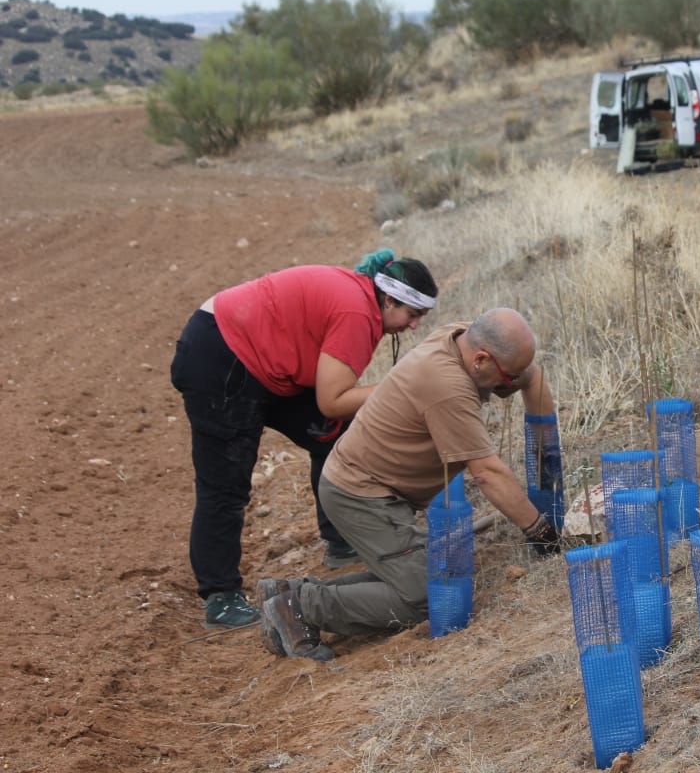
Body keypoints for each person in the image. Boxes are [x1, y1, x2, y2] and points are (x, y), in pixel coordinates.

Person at [257, 307, 563, 660]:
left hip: (373, 486)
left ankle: (286, 592)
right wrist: (540, 532)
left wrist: (545, 445)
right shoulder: (447, 386)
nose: (506, 387)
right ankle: (301, 608)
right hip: (360, 494)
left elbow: (530, 375)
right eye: (505, 379)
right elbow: (486, 473)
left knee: (430, 573)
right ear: (480, 359)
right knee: (428, 595)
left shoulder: (460, 337)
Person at [171, 248, 439, 629]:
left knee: (336, 438)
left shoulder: (364, 300)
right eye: (413, 315)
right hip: (220, 356)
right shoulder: (357, 313)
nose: (414, 326)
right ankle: (221, 597)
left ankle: (342, 541)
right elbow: (332, 400)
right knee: (225, 484)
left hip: (262, 362)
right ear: (389, 298)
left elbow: (332, 407)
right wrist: (403, 388)